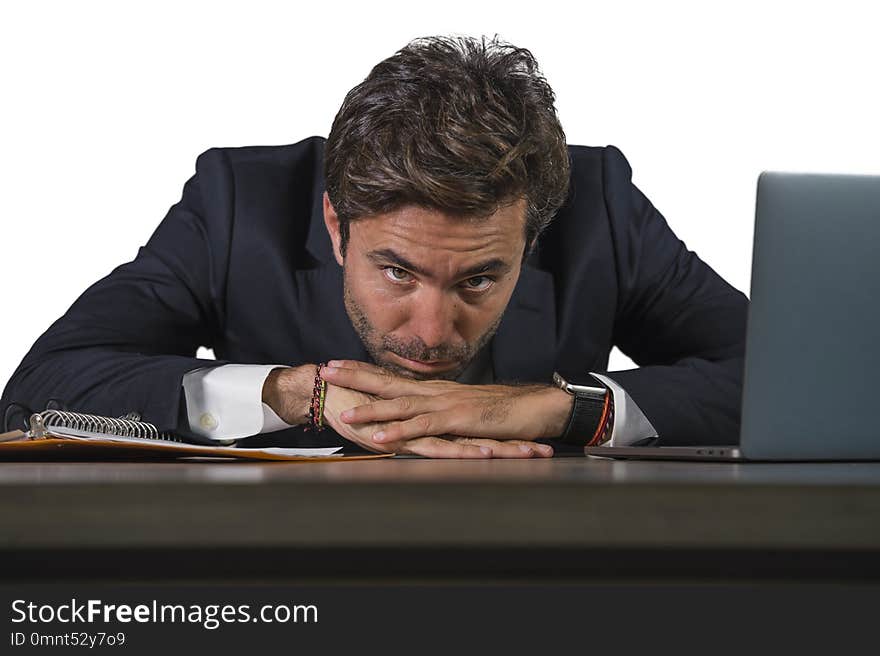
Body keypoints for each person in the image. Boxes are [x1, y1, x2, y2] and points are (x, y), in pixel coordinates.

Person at [0, 35, 748, 458]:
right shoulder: (237, 206)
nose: (430, 334)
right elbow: (40, 389)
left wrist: (564, 410)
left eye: (480, 280)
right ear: (335, 224)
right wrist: (288, 394)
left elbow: (791, 383)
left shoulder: (601, 207)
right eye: (397, 271)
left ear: (535, 232)